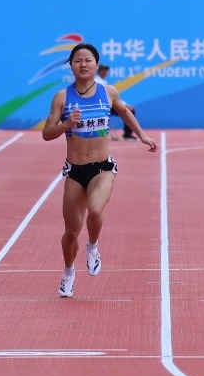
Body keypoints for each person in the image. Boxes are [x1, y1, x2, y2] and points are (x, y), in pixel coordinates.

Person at [42, 43, 158, 297]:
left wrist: (142, 135)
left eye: (88, 60)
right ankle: (68, 273)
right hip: (75, 172)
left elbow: (124, 112)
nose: (83, 64)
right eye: (78, 60)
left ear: (96, 64)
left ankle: (93, 246)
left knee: (95, 210)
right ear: (71, 66)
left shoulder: (108, 92)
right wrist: (66, 125)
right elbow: (47, 133)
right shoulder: (62, 97)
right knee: (71, 232)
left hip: (102, 168)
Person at [95, 64, 137, 141]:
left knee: (129, 110)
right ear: (99, 71)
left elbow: (113, 97)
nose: (105, 72)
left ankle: (127, 134)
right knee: (129, 111)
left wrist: (124, 104)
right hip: (103, 107)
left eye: (106, 70)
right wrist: (124, 105)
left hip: (108, 105)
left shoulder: (103, 81)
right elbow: (108, 97)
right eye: (103, 70)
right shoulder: (97, 81)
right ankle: (127, 135)